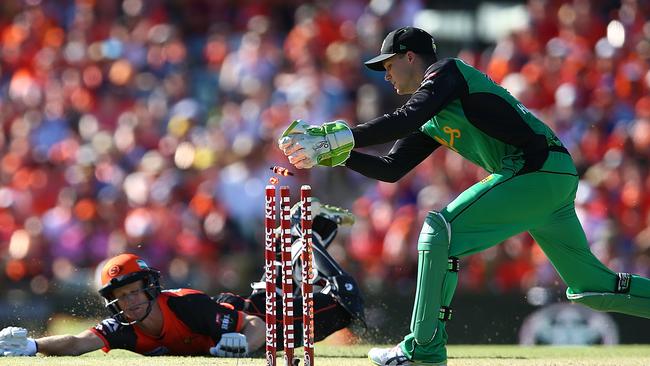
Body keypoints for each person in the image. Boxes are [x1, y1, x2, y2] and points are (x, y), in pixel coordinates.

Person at [278, 26, 650, 366]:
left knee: (439, 231)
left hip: (533, 171)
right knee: (594, 289)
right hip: (548, 178)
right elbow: (392, 169)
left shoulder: (447, 72)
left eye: (388, 65)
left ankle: (422, 348)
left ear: (410, 57)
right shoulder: (432, 111)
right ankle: (426, 346)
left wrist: (339, 136)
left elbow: (406, 118)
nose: (386, 75)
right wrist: (334, 154)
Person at [0, 200, 364, 358]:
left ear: (151, 287)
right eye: (121, 297)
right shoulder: (123, 328)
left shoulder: (186, 305)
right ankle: (306, 233)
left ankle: (306, 232)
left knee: (347, 306)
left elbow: (255, 325)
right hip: (249, 314)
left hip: (261, 314)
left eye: (134, 292)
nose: (129, 302)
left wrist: (242, 343)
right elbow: (78, 343)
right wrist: (32, 346)